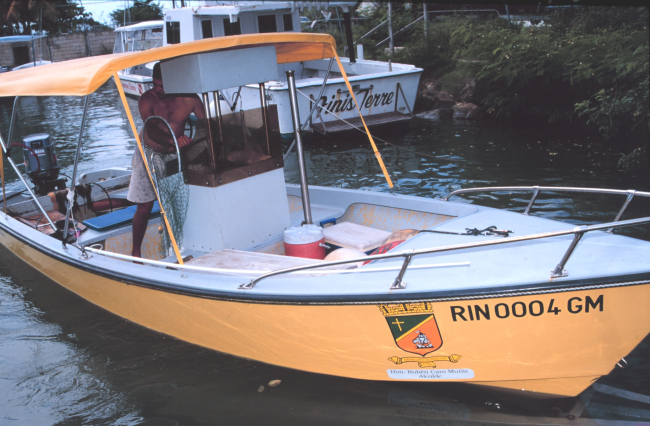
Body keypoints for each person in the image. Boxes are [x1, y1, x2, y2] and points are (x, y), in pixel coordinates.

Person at [93, 62, 205, 258]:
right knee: (143, 208)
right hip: (147, 154)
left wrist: (193, 144)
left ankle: (183, 247)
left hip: (175, 156)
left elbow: (206, 126)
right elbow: (151, 128)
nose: (158, 90)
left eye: (163, 86)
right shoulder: (147, 99)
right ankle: (136, 251)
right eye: (155, 85)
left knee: (177, 204)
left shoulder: (190, 99)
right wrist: (173, 140)